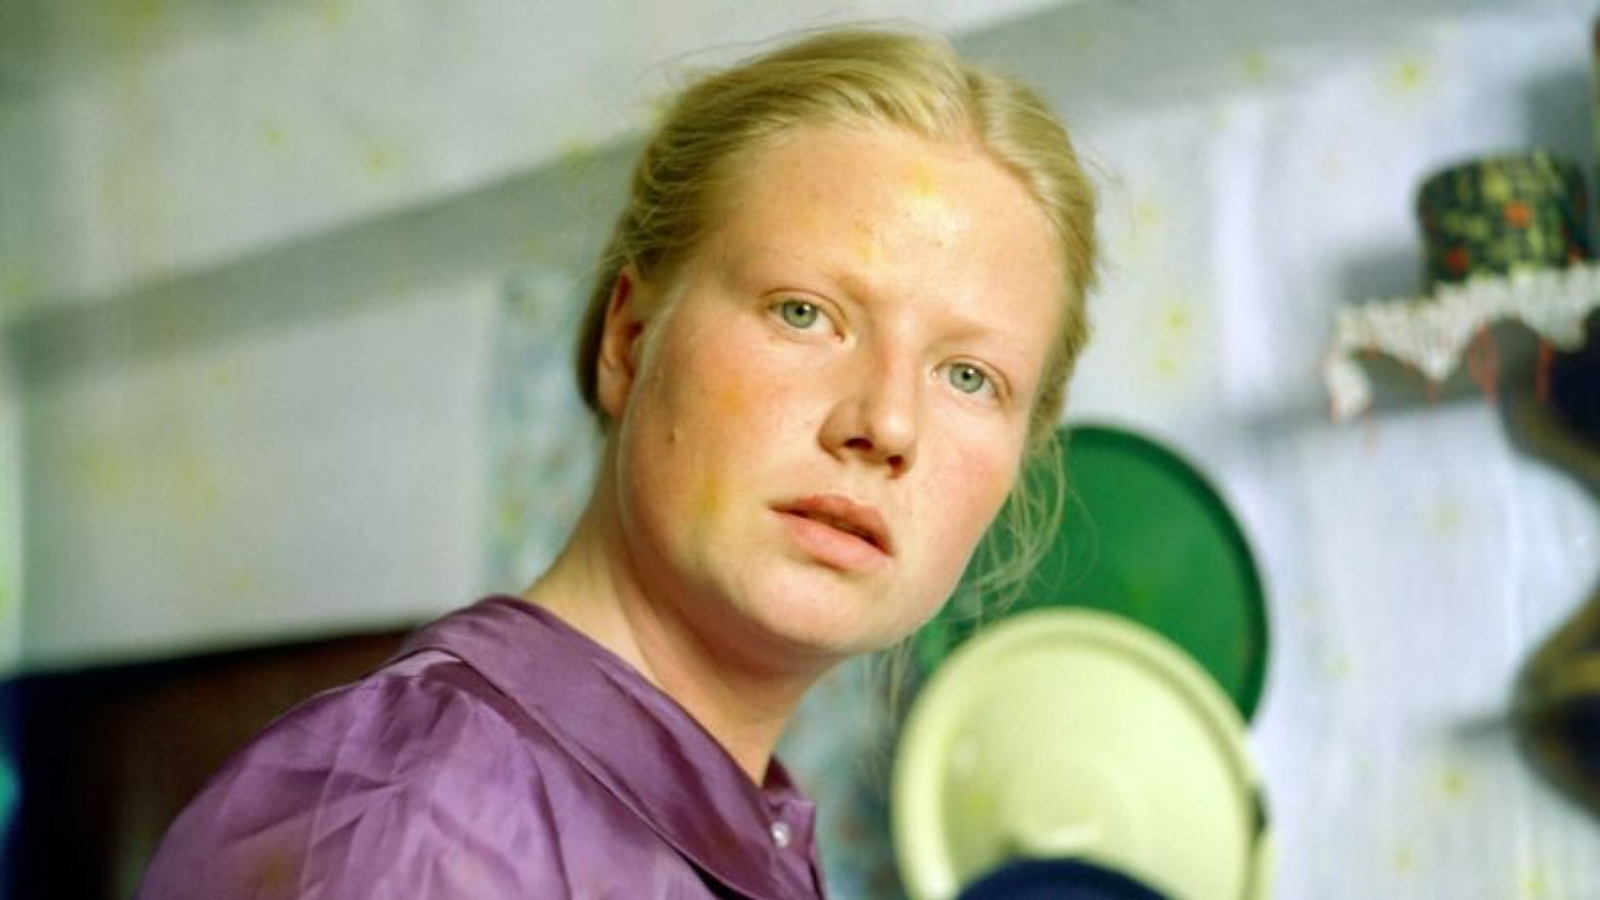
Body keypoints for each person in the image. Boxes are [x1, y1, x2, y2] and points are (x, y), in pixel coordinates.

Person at [135, 25, 1097, 899]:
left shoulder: (736, 835)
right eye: (805, 313)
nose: (885, 422)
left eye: (968, 377)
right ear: (630, 340)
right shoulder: (425, 831)